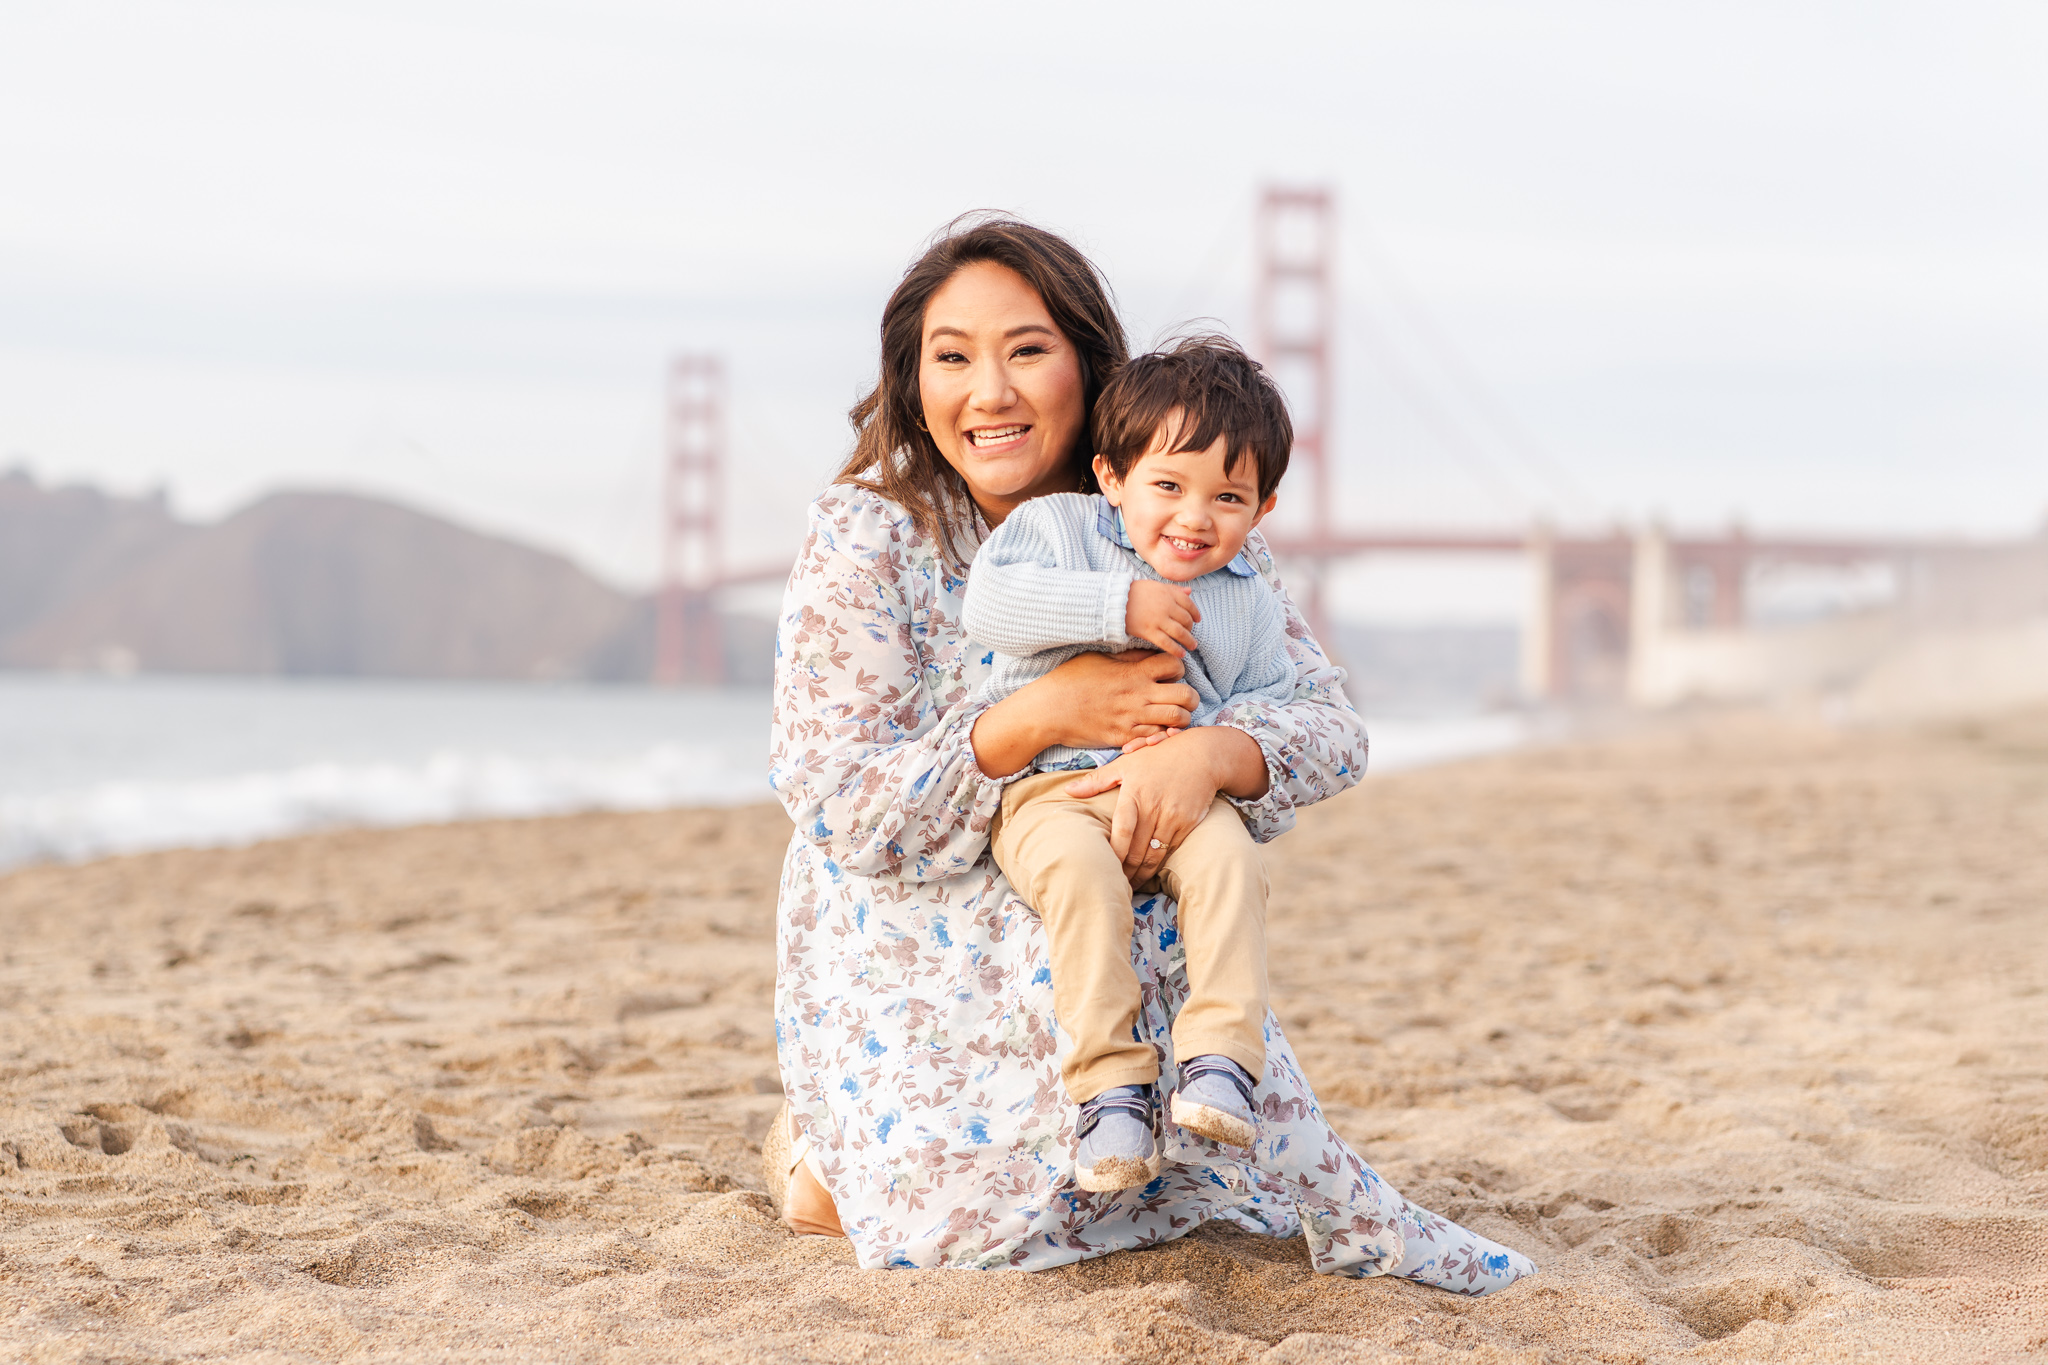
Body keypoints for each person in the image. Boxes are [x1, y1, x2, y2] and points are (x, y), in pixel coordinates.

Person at [768, 213, 1535, 1291]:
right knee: (955, 1238)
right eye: (951, 359)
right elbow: (837, 800)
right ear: (913, 382)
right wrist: (1046, 714)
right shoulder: (866, 531)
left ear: (1088, 364)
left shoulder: (1176, 504)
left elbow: (1325, 723)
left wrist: (1210, 756)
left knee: (1188, 906)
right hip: (916, 896)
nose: (987, 391)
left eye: (1025, 350)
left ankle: (1328, 1193)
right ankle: (825, 1138)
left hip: (1130, 866)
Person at [962, 336, 1296, 1192]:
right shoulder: (1059, 527)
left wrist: (1204, 748)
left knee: (1231, 861)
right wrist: (1120, 602)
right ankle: (1111, 1090)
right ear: (1112, 477)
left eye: (1230, 497)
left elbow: (1271, 700)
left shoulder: (1247, 599)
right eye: (1169, 486)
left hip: (1178, 799)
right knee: (1079, 878)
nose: (1195, 517)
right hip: (1053, 788)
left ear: (1260, 511)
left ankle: (1221, 1060)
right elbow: (993, 603)